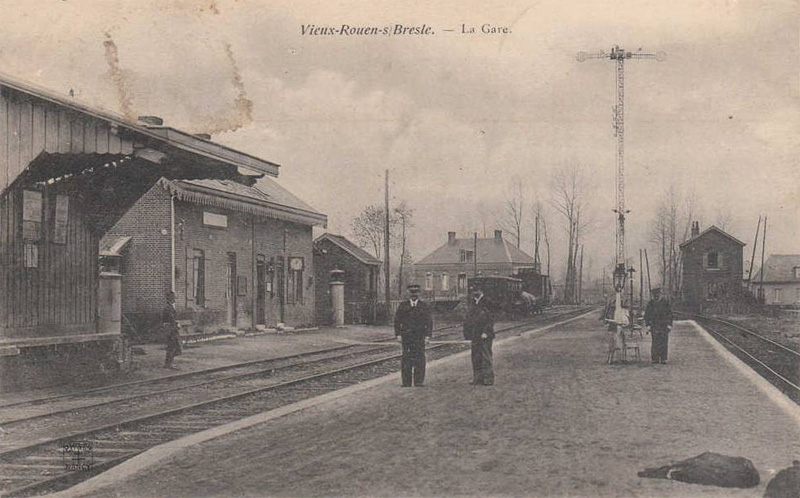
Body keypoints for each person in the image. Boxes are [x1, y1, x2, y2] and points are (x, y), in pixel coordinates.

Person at [393, 284, 433, 387]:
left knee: (420, 359)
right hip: (407, 337)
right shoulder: (403, 306)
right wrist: (398, 335)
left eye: (415, 292)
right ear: (408, 293)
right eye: (412, 292)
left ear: (418, 293)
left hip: (419, 337)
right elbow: (397, 321)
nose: (414, 295)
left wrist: (428, 336)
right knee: (406, 359)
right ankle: (406, 382)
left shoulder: (424, 306)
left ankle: (418, 381)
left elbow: (429, 322)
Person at [463, 284, 495, 386]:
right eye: (472, 291)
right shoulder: (473, 302)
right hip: (475, 334)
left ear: (481, 291)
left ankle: (488, 379)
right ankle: (477, 379)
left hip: (485, 335)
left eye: (476, 291)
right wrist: (467, 333)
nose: (473, 293)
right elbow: (469, 319)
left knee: (485, 356)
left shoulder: (488, 302)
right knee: (475, 357)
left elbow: (491, 319)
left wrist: (486, 331)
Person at [645, 287, 673, 364]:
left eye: (658, 294)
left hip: (664, 326)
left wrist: (669, 324)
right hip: (654, 325)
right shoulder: (650, 304)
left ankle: (663, 358)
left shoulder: (665, 303)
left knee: (664, 342)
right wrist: (648, 325)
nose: (656, 296)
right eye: (655, 295)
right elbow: (647, 315)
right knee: (655, 342)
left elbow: (670, 314)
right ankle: (655, 358)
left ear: (660, 294)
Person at [162, 291, 182, 369]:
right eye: (173, 298)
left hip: (171, 329)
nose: (174, 300)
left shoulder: (169, 307)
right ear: (170, 299)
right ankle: (168, 364)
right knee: (172, 346)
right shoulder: (168, 308)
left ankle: (169, 363)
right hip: (170, 330)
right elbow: (171, 319)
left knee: (173, 346)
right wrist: (176, 324)